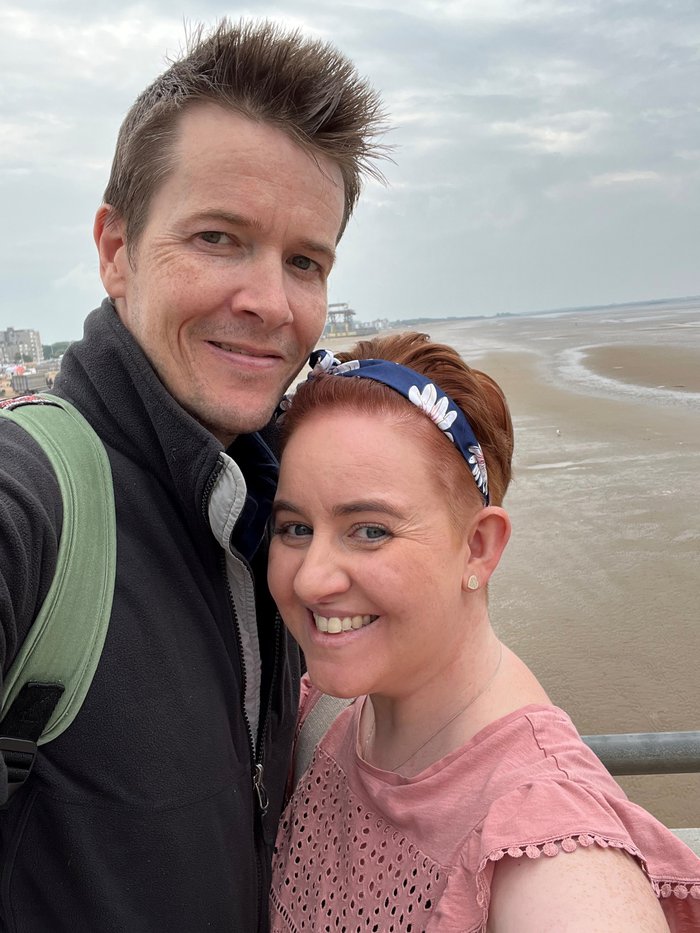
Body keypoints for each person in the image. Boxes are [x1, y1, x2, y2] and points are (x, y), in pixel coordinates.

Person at [0, 19, 387, 933]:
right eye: (219, 237)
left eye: (305, 261)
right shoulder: (38, 501)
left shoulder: (272, 514)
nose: (268, 302)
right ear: (116, 250)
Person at [267, 332, 700, 932]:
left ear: (477, 546)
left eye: (369, 531)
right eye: (294, 528)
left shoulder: (552, 859)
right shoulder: (327, 714)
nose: (312, 580)